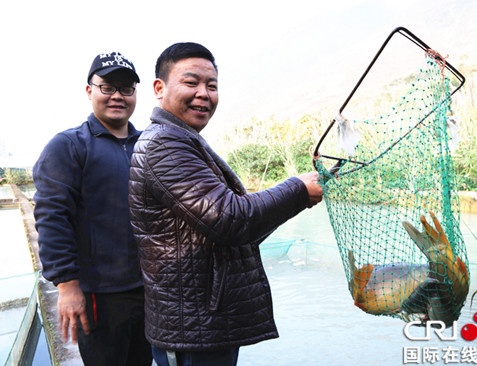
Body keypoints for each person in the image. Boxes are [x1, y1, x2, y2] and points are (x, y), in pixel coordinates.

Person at [128, 42, 324, 366]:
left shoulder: (183, 140)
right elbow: (230, 219)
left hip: (204, 326)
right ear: (159, 88)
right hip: (191, 330)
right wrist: (297, 191)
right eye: (191, 83)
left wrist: (297, 198)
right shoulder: (164, 145)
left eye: (212, 85)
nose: (203, 93)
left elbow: (237, 230)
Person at [33, 51, 152, 366]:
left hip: (149, 291)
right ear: (90, 91)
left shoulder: (148, 146)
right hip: (99, 295)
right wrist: (68, 286)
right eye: (107, 87)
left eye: (126, 89)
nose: (117, 96)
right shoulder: (69, 146)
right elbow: (51, 217)